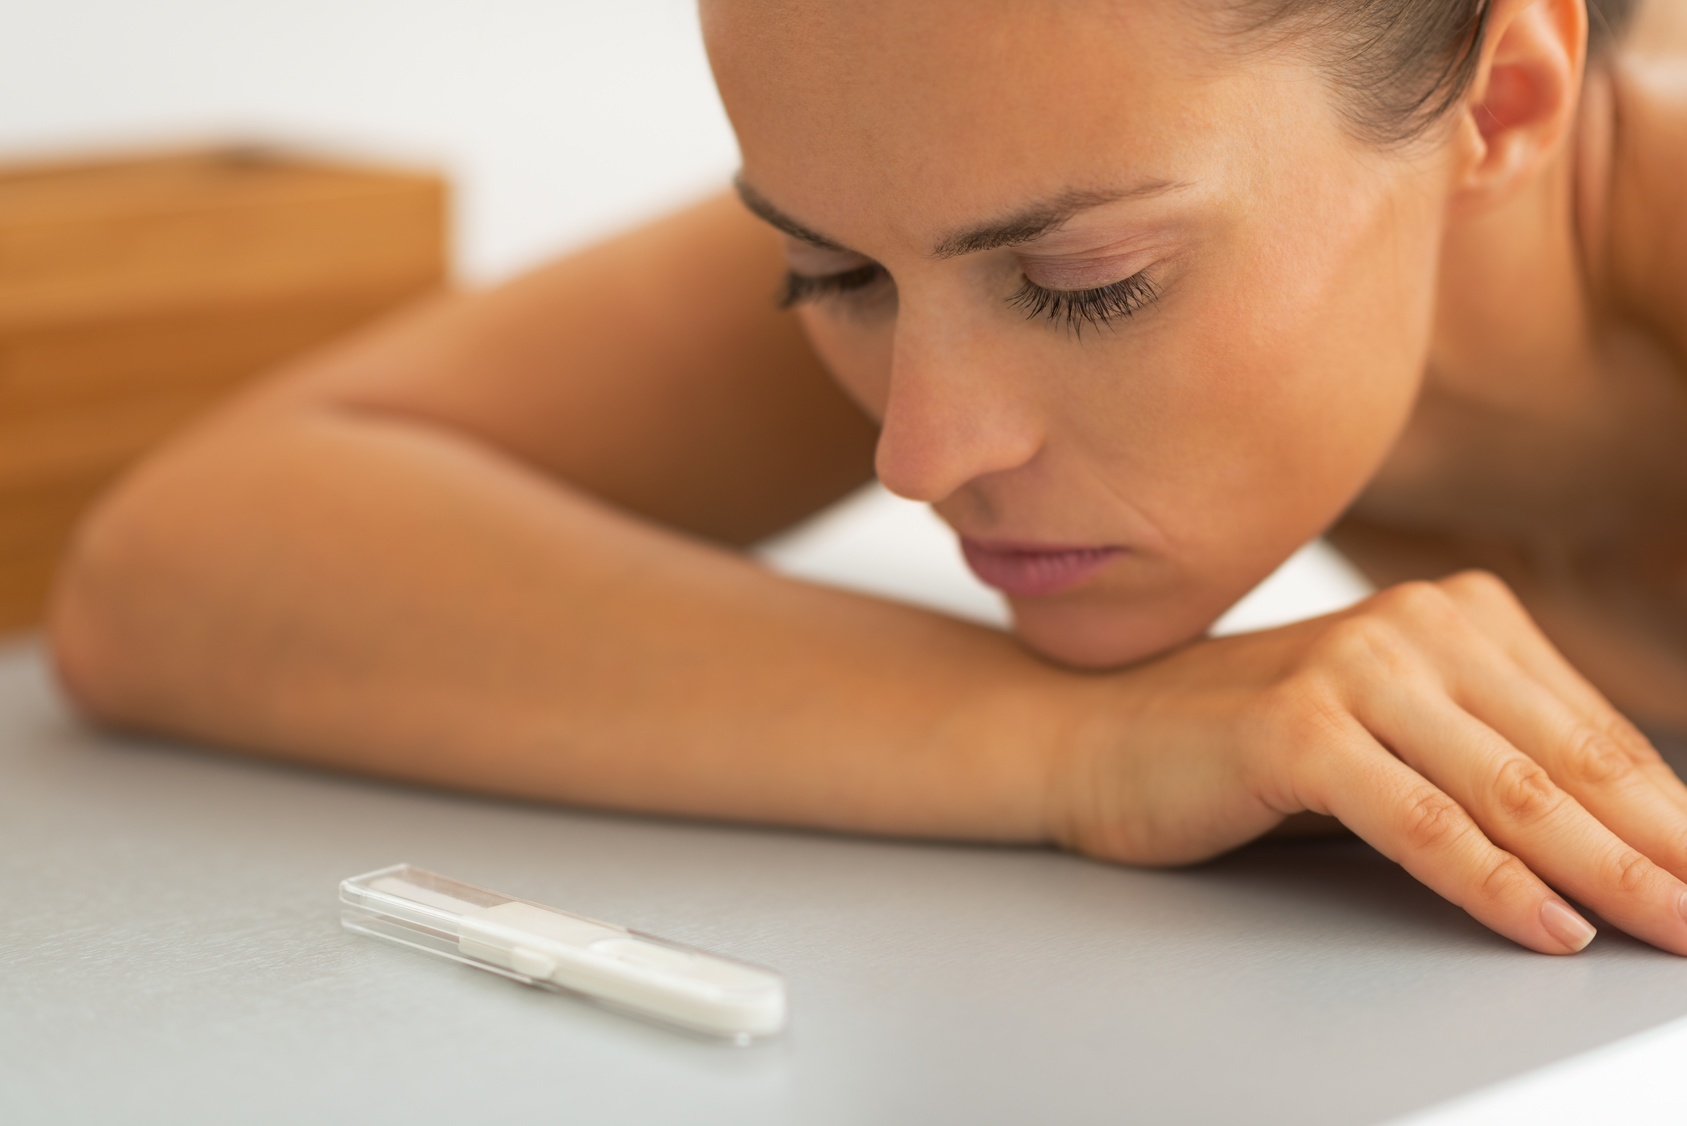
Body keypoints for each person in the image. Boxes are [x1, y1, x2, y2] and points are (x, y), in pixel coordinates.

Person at [47, 0, 1687, 958]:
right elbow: (175, 562)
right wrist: (1100, 742)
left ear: (1510, 100)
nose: (921, 453)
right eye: (825, 275)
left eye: (1087, 282)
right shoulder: (1008, 162)